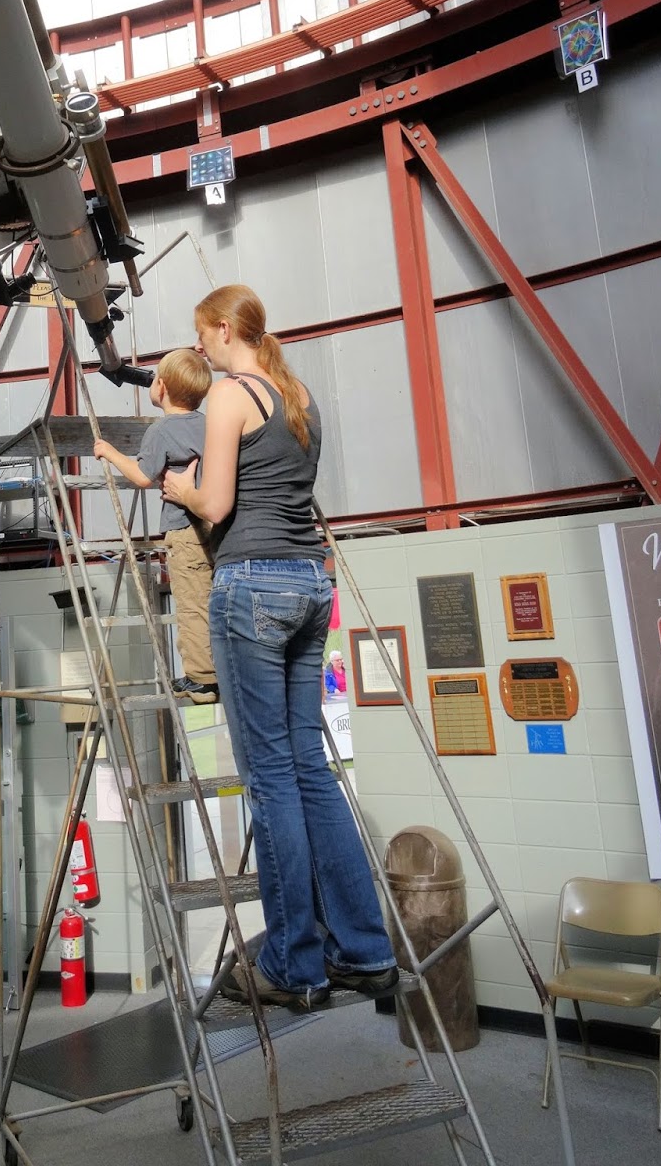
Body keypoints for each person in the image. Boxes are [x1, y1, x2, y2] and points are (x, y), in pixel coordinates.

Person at [162, 284, 397, 1013]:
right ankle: (366, 949)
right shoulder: (298, 396)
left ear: (226, 329)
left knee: (269, 780)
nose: (198, 347)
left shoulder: (231, 396)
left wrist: (179, 483)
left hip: (252, 587)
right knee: (311, 772)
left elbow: (219, 504)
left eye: (202, 334)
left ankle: (292, 964)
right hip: (309, 585)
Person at [93, 348, 218, 702]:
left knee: (191, 601)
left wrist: (110, 452)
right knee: (212, 598)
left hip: (184, 529)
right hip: (215, 526)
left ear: (160, 387)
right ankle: (218, 668)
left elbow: (143, 477)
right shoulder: (209, 423)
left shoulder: (162, 431)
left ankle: (203, 678)